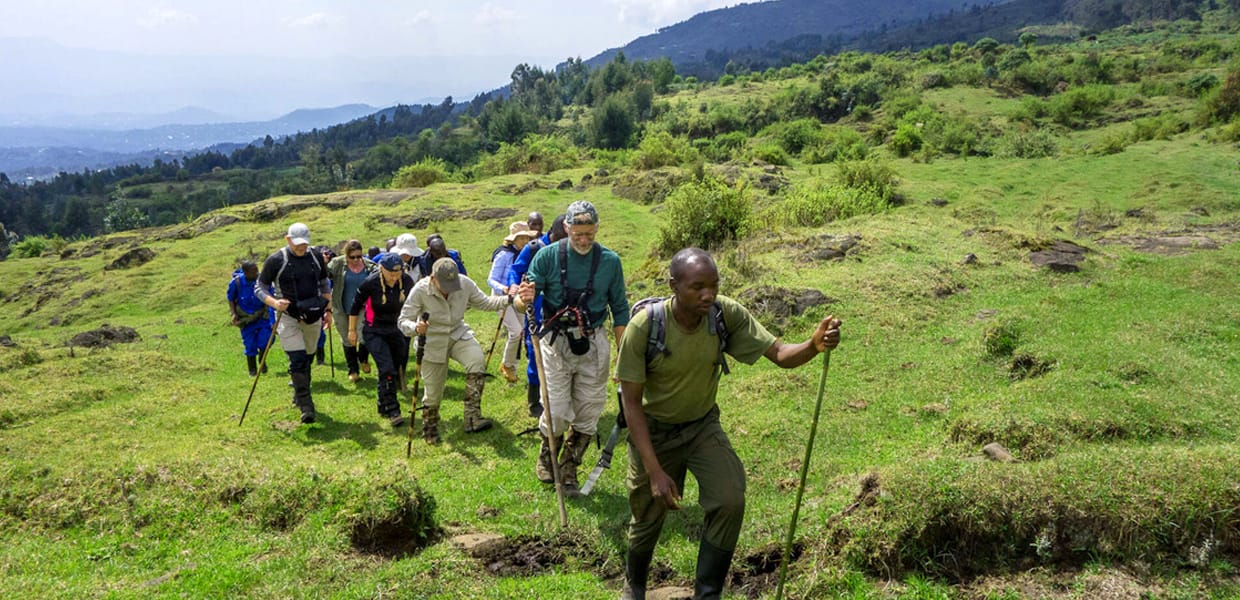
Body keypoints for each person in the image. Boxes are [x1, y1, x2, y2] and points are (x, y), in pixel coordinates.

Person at [615, 248, 843, 599]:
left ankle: (708, 593)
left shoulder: (724, 314)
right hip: (654, 430)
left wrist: (813, 345)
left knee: (730, 497)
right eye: (697, 287)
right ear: (674, 286)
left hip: (702, 426)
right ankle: (635, 585)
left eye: (714, 285)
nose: (708, 294)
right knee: (647, 516)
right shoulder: (645, 327)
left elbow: (780, 355)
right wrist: (655, 471)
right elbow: (630, 403)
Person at [518, 201, 630, 496]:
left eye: (589, 234)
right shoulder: (546, 257)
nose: (583, 240)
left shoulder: (610, 261)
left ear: (597, 230)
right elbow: (523, 300)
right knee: (557, 410)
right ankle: (547, 453)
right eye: (577, 234)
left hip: (594, 342)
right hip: (555, 342)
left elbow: (620, 310)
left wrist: (625, 356)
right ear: (566, 229)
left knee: (589, 410)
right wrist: (523, 297)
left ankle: (569, 463)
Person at [398, 257, 530, 444]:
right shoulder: (420, 290)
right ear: (432, 278)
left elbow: (485, 303)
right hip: (432, 341)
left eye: (451, 284)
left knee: (477, 361)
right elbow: (403, 321)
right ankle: (430, 427)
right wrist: (415, 327)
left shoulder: (464, 283)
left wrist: (510, 299)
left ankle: (472, 418)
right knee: (433, 391)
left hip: (458, 334)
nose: (448, 288)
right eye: (444, 284)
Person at [255, 222, 332, 424]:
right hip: (288, 316)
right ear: (288, 240)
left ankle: (299, 394)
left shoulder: (315, 256)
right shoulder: (276, 259)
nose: (301, 248)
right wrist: (274, 303)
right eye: (297, 244)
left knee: (307, 358)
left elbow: (324, 282)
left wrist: (328, 307)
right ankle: (307, 407)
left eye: (304, 244)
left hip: (313, 315)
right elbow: (260, 286)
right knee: (297, 359)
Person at [508, 213, 567, 418]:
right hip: (536, 308)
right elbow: (516, 270)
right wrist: (515, 289)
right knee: (535, 353)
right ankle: (534, 401)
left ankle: (558, 396)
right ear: (555, 231)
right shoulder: (534, 248)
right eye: (562, 237)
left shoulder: (571, 249)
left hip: (561, 309)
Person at [348, 254, 415, 428]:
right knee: (386, 369)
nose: (394, 277)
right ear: (381, 269)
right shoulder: (370, 283)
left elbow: (416, 303)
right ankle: (393, 410)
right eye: (391, 274)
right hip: (374, 331)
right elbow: (355, 307)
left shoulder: (407, 282)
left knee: (394, 366)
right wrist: (352, 331)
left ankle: (382, 403)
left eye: (398, 273)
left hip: (397, 330)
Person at [488, 221, 536, 384]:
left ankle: (512, 366)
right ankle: (507, 365)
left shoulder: (527, 253)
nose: (524, 241)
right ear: (512, 239)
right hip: (501, 298)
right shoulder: (503, 254)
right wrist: (505, 289)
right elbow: (491, 279)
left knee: (521, 331)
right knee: (515, 331)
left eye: (526, 238)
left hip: (516, 297)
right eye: (521, 238)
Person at [327, 240, 377, 382]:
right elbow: (324, 274)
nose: (356, 260)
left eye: (358, 256)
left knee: (364, 336)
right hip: (341, 307)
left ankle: (363, 359)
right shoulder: (337, 264)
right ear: (346, 255)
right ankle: (353, 370)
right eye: (352, 257)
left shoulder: (369, 266)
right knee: (348, 339)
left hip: (362, 308)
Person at [227, 260, 273, 376]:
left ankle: (262, 362)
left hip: (262, 316)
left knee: (266, 340)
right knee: (250, 344)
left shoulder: (262, 280)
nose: (256, 273)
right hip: (246, 318)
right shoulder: (236, 283)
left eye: (257, 270)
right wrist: (233, 314)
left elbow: (271, 295)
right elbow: (231, 298)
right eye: (253, 271)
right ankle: (252, 370)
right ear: (245, 272)